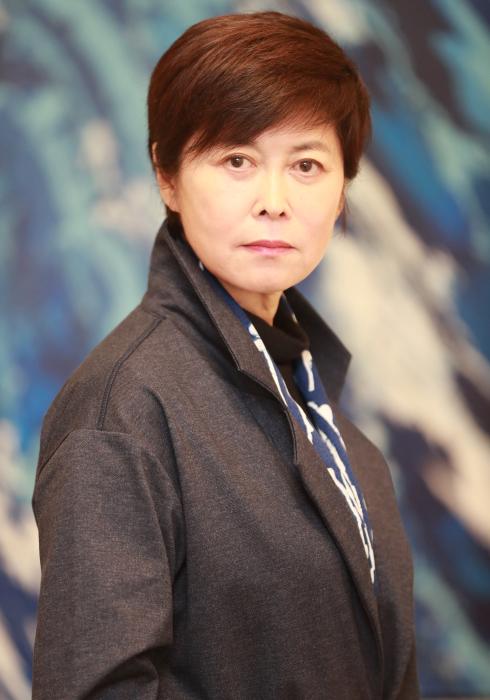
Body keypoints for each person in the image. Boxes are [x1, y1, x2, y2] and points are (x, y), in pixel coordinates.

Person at [32, 10, 420, 700]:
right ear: (167, 176)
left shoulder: (323, 413)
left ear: (342, 190)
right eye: (237, 160)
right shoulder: (122, 409)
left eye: (306, 165)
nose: (274, 202)